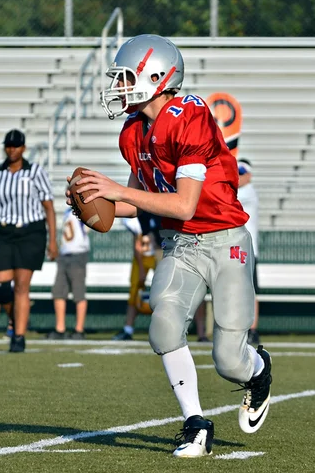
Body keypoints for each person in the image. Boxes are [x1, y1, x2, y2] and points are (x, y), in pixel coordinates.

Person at [70, 34, 273, 457]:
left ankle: (258, 371)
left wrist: (117, 193)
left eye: (127, 77)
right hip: (181, 244)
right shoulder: (132, 133)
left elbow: (184, 203)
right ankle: (195, 424)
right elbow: (135, 200)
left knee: (228, 360)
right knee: (162, 323)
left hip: (225, 241)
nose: (119, 86)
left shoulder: (190, 114)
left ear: (157, 77)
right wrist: (96, 202)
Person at [0, 129, 58, 353]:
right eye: (8, 146)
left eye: (16, 146)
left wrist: (53, 240)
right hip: (3, 231)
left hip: (31, 231)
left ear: (23, 148)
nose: (12, 149)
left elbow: (48, 206)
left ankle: (18, 336)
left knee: (22, 285)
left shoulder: (35, 172)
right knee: (0, 285)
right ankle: (17, 317)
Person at [113, 212, 159, 341]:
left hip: (158, 254)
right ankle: (128, 328)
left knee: (166, 293)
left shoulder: (159, 211)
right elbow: (137, 241)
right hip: (142, 256)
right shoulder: (139, 215)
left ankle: (167, 329)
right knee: (134, 292)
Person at [47, 206, 90, 339]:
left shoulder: (84, 210)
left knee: (78, 292)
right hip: (64, 254)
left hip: (78, 253)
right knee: (59, 292)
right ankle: (60, 329)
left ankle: (79, 329)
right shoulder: (67, 211)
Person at [237, 158, 260, 345]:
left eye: (241, 173)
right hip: (237, 247)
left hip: (248, 248)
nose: (237, 176)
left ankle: (252, 329)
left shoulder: (247, 191)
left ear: (249, 176)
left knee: (250, 291)